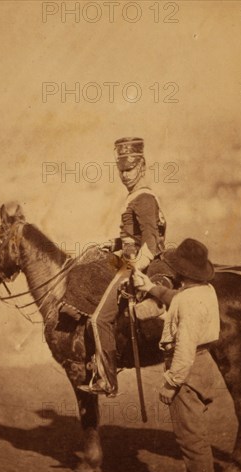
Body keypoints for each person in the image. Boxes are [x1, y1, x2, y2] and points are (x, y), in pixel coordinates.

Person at [134, 238, 223, 472]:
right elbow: (176, 298)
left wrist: (170, 383)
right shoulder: (206, 291)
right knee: (199, 435)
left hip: (187, 370)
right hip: (205, 365)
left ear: (182, 272)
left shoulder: (185, 301)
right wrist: (151, 288)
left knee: (189, 439)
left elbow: (183, 348)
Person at [79, 137, 166, 396]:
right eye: (121, 170)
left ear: (142, 167)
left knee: (98, 319)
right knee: (89, 265)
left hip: (135, 264)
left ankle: (107, 380)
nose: (125, 175)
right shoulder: (135, 197)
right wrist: (113, 245)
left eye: (129, 169)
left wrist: (134, 268)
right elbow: (134, 236)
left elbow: (151, 241)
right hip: (127, 257)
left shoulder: (144, 198)